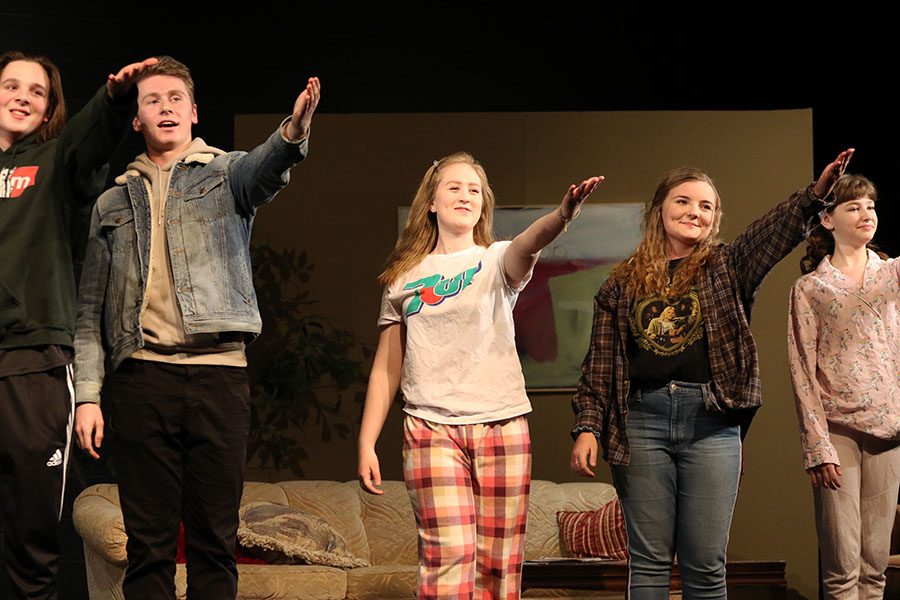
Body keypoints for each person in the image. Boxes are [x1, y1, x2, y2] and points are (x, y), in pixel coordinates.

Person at [72, 56, 320, 599]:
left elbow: (267, 167)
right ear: (135, 119)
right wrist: (87, 395)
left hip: (218, 377)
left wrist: (294, 130)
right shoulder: (112, 200)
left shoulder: (226, 173)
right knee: (149, 546)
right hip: (141, 379)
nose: (165, 107)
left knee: (213, 541)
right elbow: (90, 308)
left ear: (193, 110)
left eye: (175, 98)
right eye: (152, 100)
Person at [570, 149, 853, 599]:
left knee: (705, 564)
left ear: (715, 218)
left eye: (706, 206)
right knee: (648, 564)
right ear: (660, 208)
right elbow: (600, 364)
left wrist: (815, 194)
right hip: (642, 421)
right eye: (683, 201)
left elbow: (770, 234)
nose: (694, 212)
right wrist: (587, 427)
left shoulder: (726, 266)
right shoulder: (620, 284)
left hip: (711, 423)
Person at [357, 152, 601, 599]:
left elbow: (529, 242)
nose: (465, 195)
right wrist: (366, 441)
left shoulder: (495, 261)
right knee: (447, 558)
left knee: (499, 566)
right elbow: (387, 366)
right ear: (431, 202)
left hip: (501, 425)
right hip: (431, 429)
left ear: (483, 205)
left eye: (474, 189)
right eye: (453, 186)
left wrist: (563, 215)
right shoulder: (404, 278)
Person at [0, 50, 154, 600]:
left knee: (30, 535)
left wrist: (112, 102)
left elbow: (87, 144)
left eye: (36, 91)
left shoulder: (53, 163)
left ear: (48, 110)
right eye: (11, 85)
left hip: (34, 362)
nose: (21, 96)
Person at [787, 173, 899, 599]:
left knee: (875, 567)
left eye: (870, 206)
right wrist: (817, 446)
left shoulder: (893, 275)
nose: (866, 214)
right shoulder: (811, 288)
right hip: (838, 432)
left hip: (889, 429)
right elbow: (802, 369)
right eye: (853, 207)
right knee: (842, 567)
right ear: (828, 221)